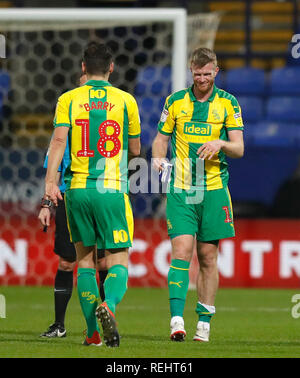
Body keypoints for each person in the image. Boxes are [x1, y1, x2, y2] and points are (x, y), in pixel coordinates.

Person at [42, 42, 141, 347]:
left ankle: (91, 333)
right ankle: (108, 304)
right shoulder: (126, 101)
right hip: (110, 188)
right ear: (112, 67)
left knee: (84, 261)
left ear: (83, 67)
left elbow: (58, 142)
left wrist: (50, 183)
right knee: (118, 259)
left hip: (77, 190)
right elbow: (136, 151)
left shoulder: (68, 99)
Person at [152, 47, 244, 342]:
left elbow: (239, 148)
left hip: (215, 190)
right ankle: (176, 321)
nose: (202, 78)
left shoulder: (229, 104)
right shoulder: (176, 101)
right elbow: (160, 139)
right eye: (197, 73)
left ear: (216, 72)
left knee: (207, 257)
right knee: (181, 253)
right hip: (181, 189)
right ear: (191, 71)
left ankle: (204, 322)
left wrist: (220, 143)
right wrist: (157, 159)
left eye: (207, 73)